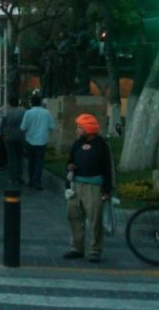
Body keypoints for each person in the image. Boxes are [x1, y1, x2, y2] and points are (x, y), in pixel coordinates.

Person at [63, 114, 112, 263]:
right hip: (76, 186)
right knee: (74, 217)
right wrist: (69, 168)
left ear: (88, 128)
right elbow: (70, 161)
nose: (77, 130)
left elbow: (108, 168)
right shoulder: (77, 144)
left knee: (95, 219)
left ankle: (95, 249)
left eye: (79, 127)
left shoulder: (101, 145)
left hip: (94, 187)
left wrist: (107, 189)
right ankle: (76, 248)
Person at [19, 93, 56, 190]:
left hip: (30, 140)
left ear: (31, 103)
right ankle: (37, 181)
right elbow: (52, 126)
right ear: (40, 102)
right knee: (39, 162)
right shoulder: (46, 113)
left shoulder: (28, 113)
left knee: (31, 161)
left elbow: (23, 127)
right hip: (42, 140)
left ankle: (31, 180)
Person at [1, 96, 26, 187]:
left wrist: (3, 135)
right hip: (20, 136)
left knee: (11, 158)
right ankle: (19, 176)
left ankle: (12, 178)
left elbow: (3, 125)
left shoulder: (6, 112)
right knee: (20, 158)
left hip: (9, 137)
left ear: (9, 103)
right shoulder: (23, 111)